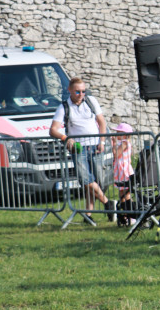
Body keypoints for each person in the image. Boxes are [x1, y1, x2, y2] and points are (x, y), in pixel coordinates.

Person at [49, 77, 113, 223]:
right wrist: (65, 138)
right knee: (86, 180)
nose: (81, 94)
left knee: (96, 181)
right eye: (77, 91)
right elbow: (53, 130)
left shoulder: (91, 101)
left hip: (95, 145)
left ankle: (88, 215)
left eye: (83, 91)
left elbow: (101, 122)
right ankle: (108, 204)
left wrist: (102, 141)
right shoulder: (64, 107)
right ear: (69, 90)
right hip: (78, 149)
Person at [111, 122, 136, 226]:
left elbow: (116, 153)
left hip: (124, 171)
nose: (116, 134)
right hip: (120, 170)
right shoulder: (124, 143)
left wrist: (113, 143)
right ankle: (125, 213)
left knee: (126, 193)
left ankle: (131, 214)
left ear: (125, 134)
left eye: (119, 132)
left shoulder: (125, 143)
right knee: (122, 193)